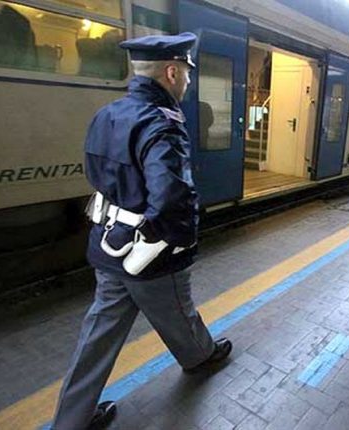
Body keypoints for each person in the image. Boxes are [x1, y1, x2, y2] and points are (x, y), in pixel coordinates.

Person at [52, 33, 232, 430]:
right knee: (177, 312)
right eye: (186, 72)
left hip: (108, 242)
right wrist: (180, 242)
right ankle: (200, 357)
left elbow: (96, 175)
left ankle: (71, 420)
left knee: (98, 334)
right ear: (171, 71)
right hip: (150, 252)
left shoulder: (107, 114)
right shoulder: (162, 123)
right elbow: (171, 193)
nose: (186, 81)